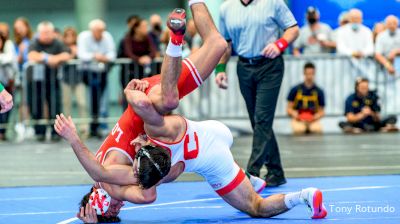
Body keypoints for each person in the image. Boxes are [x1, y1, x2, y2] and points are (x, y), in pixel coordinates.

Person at [55, 2, 232, 222]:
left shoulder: (111, 183)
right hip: (148, 107)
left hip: (143, 102)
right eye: (117, 213)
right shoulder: (112, 185)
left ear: (95, 199)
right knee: (217, 45)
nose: (119, 207)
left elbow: (142, 194)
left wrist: (73, 138)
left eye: (112, 210)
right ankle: (194, 2)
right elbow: (142, 192)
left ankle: (175, 38)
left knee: (169, 100)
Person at [215, 0, 299, 187]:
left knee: (262, 119)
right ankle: (276, 172)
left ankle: (252, 173)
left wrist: (280, 44)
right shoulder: (226, 8)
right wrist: (220, 69)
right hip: (244, 67)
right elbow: (226, 43)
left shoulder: (273, 3)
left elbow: (293, 29)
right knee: (258, 122)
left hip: (270, 66)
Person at [28, 21, 71, 141]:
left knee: (55, 106)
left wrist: (54, 58)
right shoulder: (34, 42)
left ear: (53, 33)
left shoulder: (57, 43)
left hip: (53, 80)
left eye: (48, 32)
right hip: (36, 81)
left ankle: (55, 132)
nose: (46, 35)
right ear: (39, 33)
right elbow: (32, 55)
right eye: (44, 33)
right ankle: (39, 132)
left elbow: (67, 54)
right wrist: (48, 58)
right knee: (36, 107)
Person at [77, 19, 116, 138]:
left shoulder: (107, 37)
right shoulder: (83, 37)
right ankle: (92, 127)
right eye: (98, 31)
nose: (101, 33)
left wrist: (99, 58)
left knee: (101, 100)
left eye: (102, 30)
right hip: (87, 73)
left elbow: (112, 55)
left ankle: (100, 126)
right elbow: (82, 55)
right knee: (88, 100)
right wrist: (96, 56)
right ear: (92, 30)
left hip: (102, 73)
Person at [62, 27, 89, 137]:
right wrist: (72, 54)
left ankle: (84, 127)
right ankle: (66, 128)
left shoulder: (80, 47)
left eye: (72, 35)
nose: (70, 38)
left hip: (78, 79)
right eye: (67, 35)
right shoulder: (62, 47)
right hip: (66, 79)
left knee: (82, 103)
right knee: (66, 104)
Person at [287, 62, 325, 134]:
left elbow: (322, 111)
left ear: (314, 73)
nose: (309, 76)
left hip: (313, 119)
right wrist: (294, 114)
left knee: (317, 129)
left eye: (311, 73)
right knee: (299, 129)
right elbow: (288, 109)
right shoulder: (295, 89)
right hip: (298, 118)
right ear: (304, 73)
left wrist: (316, 116)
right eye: (307, 73)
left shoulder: (319, 91)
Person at [0, 32, 17, 140]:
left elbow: (11, 60)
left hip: (8, 84)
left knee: (6, 110)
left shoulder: (8, 49)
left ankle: (3, 132)